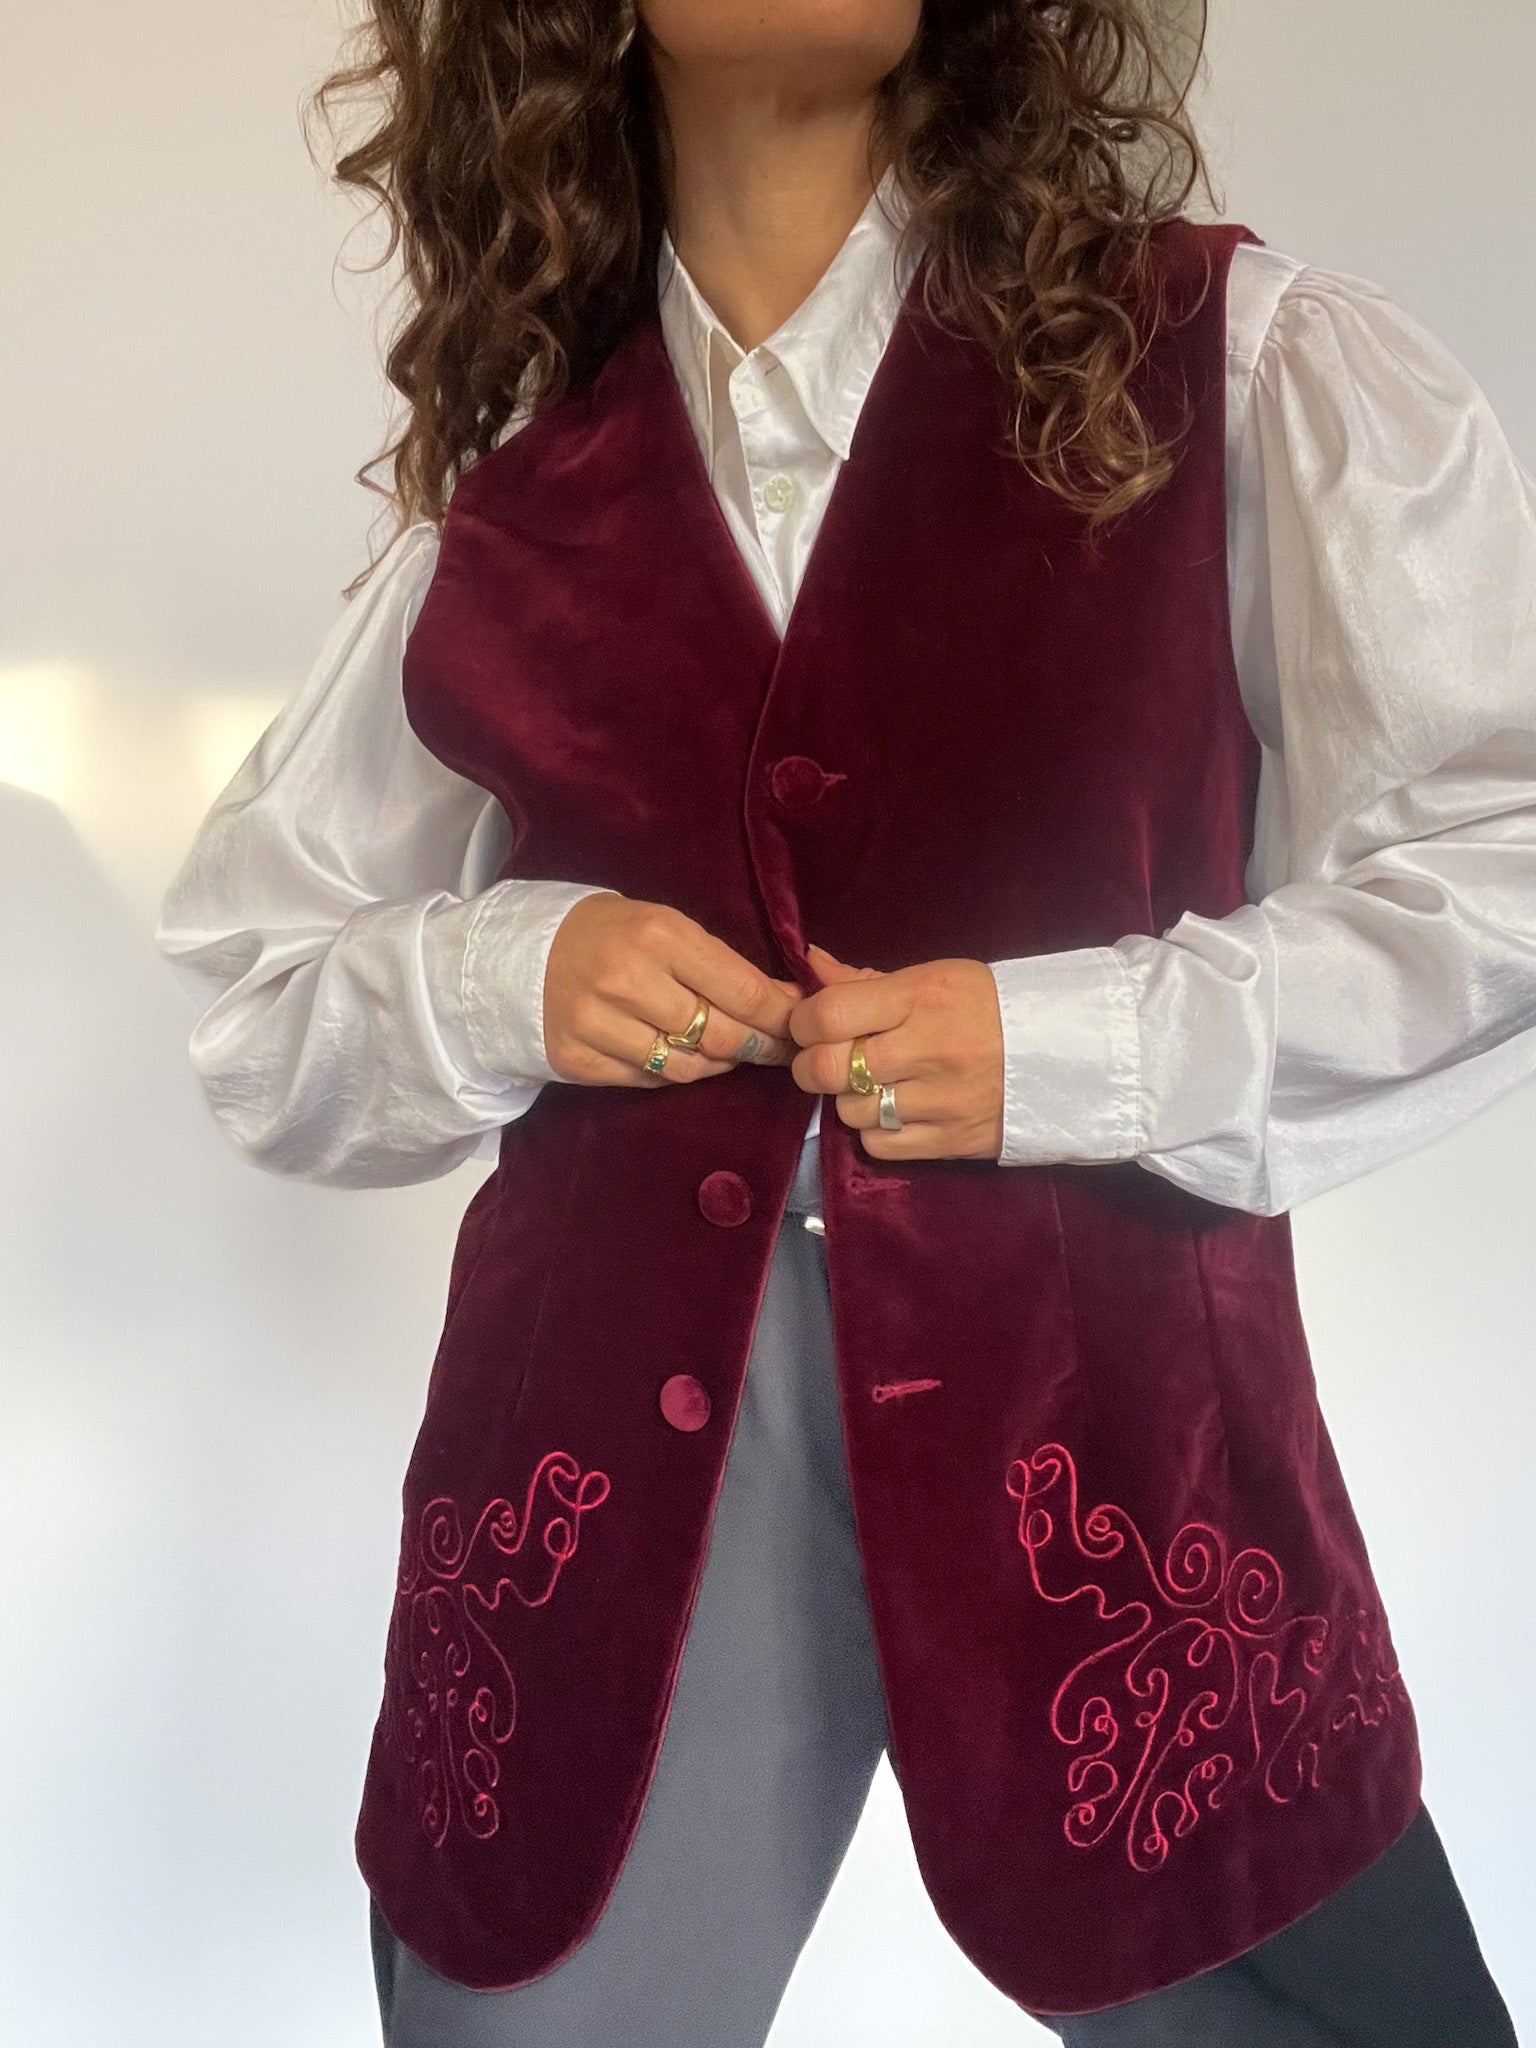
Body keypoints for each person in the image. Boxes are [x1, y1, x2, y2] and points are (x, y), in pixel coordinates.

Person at [155, 3, 1532, 2042]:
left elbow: (1500, 856)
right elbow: (257, 986)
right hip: (595, 1478)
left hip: (1118, 1456)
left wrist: (1082, 1044)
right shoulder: (519, 491)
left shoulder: (1233, 363)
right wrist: (506, 971)